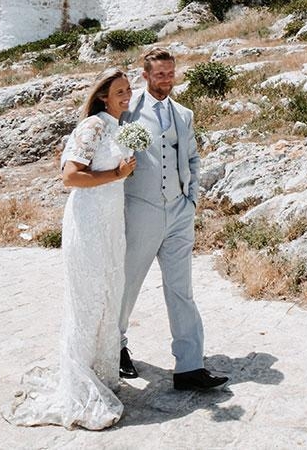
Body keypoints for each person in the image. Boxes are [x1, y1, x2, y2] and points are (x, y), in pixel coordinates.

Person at [5, 68, 137, 430]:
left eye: (129, 90)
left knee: (109, 294)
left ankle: (100, 373)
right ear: (103, 96)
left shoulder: (118, 126)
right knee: (88, 299)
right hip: (90, 221)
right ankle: (79, 382)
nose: (127, 95)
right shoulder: (93, 126)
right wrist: (117, 175)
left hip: (112, 221)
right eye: (120, 91)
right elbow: (70, 176)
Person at [118, 48, 227, 391]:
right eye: (160, 74)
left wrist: (191, 198)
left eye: (170, 73)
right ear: (146, 74)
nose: (166, 80)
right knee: (128, 283)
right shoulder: (128, 109)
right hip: (140, 209)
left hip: (179, 211)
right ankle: (115, 348)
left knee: (182, 289)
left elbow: (193, 158)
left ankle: (190, 366)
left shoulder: (184, 114)